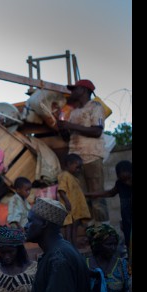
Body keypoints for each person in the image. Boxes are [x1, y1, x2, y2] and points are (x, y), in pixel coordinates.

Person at [57, 79, 109, 224]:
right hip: (76, 160)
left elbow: (97, 131)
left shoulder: (95, 107)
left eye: (75, 89)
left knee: (97, 196)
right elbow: (69, 136)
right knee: (81, 199)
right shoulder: (73, 112)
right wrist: (63, 129)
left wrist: (70, 125)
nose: (72, 92)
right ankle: (91, 233)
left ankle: (105, 232)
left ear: (84, 91)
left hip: (92, 156)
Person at [86, 160, 132, 256]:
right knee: (129, 245)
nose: (126, 182)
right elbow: (109, 193)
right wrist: (87, 194)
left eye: (128, 178)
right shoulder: (120, 184)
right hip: (128, 222)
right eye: (123, 179)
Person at [57, 153, 91, 245]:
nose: (78, 170)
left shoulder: (74, 178)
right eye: (77, 167)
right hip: (69, 206)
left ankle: (74, 243)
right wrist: (67, 202)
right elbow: (61, 190)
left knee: (74, 226)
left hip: (75, 208)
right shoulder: (64, 175)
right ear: (68, 164)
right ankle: (68, 244)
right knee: (68, 226)